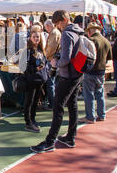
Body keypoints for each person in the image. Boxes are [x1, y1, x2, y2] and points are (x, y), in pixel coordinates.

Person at [31, 10, 84, 153]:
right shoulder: (79, 31)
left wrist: (56, 62)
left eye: (57, 24)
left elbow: (65, 59)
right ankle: (71, 137)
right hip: (78, 73)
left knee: (58, 106)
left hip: (68, 75)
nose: (57, 27)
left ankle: (50, 141)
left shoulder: (67, 33)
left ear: (63, 21)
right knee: (72, 105)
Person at [80, 23, 112, 124]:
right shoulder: (106, 41)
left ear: (90, 31)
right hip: (101, 71)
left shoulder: (91, 41)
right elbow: (109, 58)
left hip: (90, 71)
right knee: (100, 93)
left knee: (89, 95)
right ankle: (102, 114)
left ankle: (90, 117)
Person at [18, 31, 48, 133]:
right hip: (31, 80)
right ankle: (28, 122)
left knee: (35, 102)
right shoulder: (27, 50)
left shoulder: (40, 50)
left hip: (40, 80)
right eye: (34, 37)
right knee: (29, 102)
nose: (36, 39)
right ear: (30, 38)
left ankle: (33, 119)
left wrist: (43, 66)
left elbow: (44, 61)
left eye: (38, 37)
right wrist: (35, 68)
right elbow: (22, 66)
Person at [43, 19, 61, 110]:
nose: (46, 30)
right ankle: (54, 103)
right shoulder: (56, 32)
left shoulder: (54, 33)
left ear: (48, 26)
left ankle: (53, 104)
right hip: (54, 60)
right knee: (53, 83)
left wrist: (45, 57)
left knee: (50, 83)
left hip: (52, 60)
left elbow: (51, 48)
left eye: (46, 28)